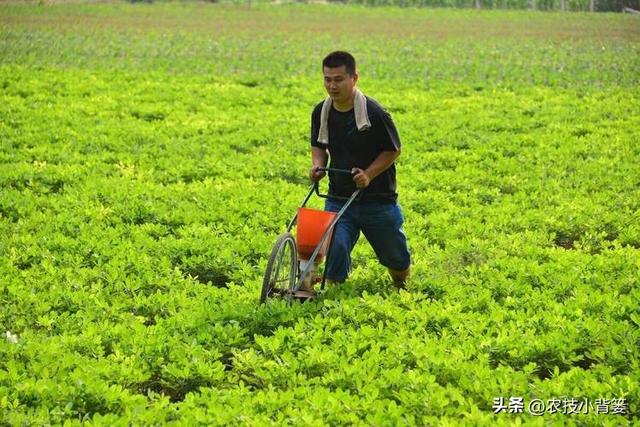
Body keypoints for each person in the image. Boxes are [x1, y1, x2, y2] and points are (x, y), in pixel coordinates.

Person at [304, 51, 411, 295]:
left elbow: (393, 150)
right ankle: (332, 294)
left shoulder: (375, 113)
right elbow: (319, 145)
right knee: (334, 247)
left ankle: (402, 289)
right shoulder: (321, 111)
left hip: (378, 199)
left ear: (354, 78)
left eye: (339, 79)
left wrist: (369, 174)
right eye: (328, 79)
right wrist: (317, 165)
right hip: (339, 196)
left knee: (395, 255)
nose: (332, 85)